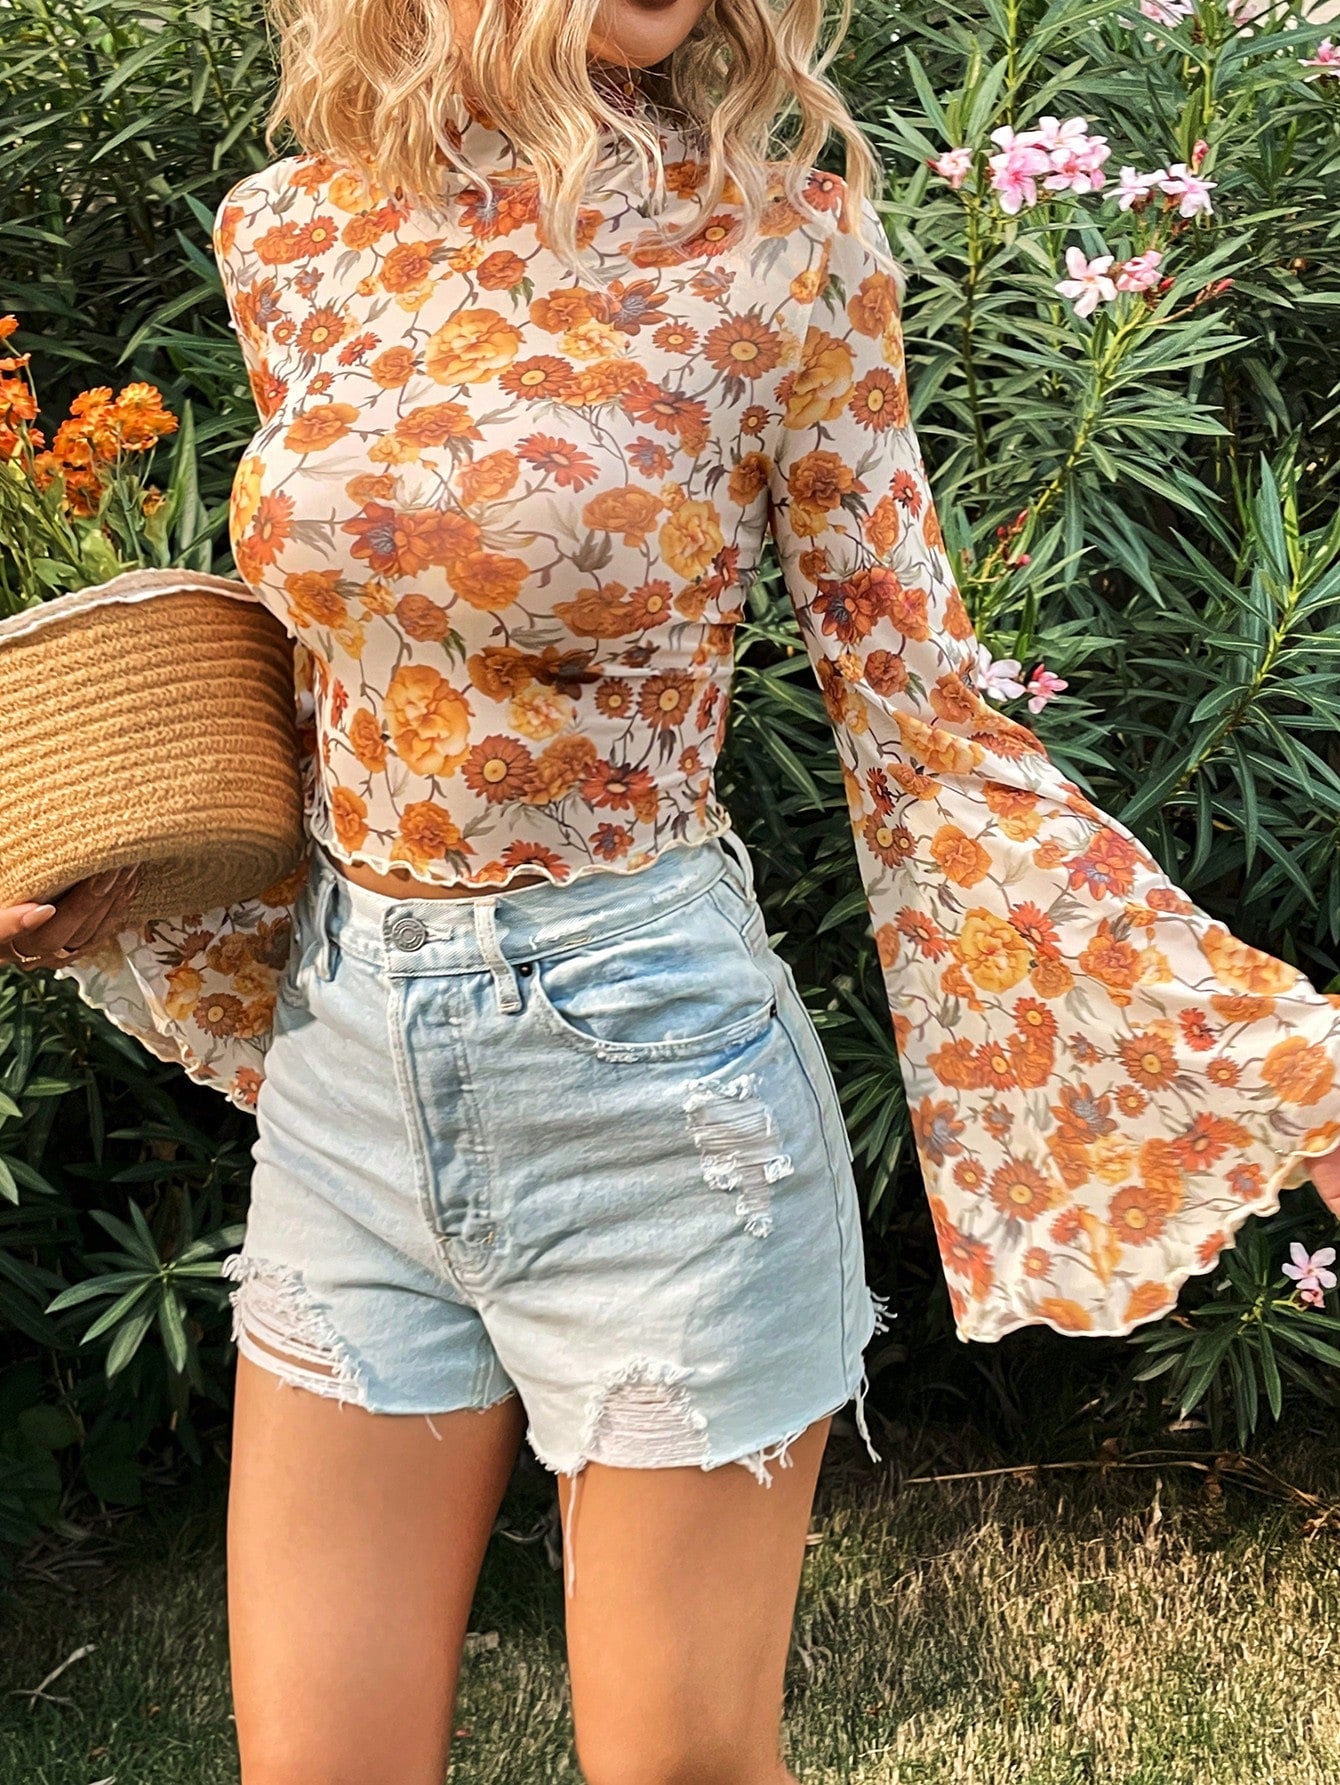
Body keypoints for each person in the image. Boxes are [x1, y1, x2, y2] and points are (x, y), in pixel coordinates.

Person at [6, 0, 1340, 1779]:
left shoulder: (786, 245)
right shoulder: (297, 229)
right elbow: (352, 649)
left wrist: (1281, 1057)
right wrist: (132, 869)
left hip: (657, 1091)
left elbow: (924, 724)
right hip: (348, 1086)